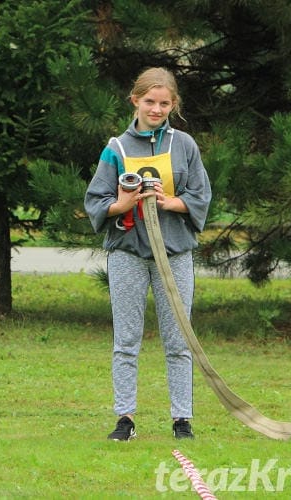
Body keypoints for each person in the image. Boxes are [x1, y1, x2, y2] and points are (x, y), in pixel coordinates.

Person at [84, 67, 211, 441]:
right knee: (126, 341)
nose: (156, 109)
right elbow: (97, 201)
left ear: (173, 105)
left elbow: (200, 195)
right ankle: (125, 419)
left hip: (174, 255)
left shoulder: (184, 145)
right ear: (135, 101)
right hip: (128, 254)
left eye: (164, 103)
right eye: (149, 102)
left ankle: (181, 420)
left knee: (178, 341)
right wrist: (122, 204)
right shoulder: (116, 148)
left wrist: (171, 202)